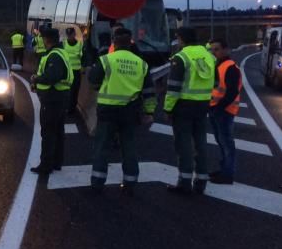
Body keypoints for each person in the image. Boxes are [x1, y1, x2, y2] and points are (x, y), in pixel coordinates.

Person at [88, 28, 156, 196]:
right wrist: (149, 112)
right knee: (129, 147)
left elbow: (93, 81)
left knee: (102, 147)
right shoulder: (141, 63)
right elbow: (149, 92)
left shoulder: (106, 60)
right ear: (131, 42)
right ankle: (130, 183)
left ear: (114, 42)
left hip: (107, 111)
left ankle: (97, 183)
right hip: (130, 111)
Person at [164, 27, 216, 194]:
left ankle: (184, 182)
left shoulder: (181, 57)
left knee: (184, 144)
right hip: (203, 105)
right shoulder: (209, 56)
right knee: (201, 143)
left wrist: (167, 108)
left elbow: (173, 88)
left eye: (178, 38)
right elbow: (214, 83)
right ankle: (201, 181)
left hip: (184, 106)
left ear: (182, 39)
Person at [29, 27, 73, 175]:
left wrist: (37, 79)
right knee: (58, 131)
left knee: (48, 132)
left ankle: (46, 165)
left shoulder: (54, 56)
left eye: (42, 37)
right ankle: (56, 162)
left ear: (46, 39)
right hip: (60, 97)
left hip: (53, 99)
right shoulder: (60, 52)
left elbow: (52, 76)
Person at [208, 39, 242, 184]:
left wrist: (219, 106)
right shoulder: (219, 64)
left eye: (217, 49)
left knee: (226, 143)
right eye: (212, 49)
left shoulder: (230, 67)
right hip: (216, 108)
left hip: (224, 110)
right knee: (222, 141)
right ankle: (224, 170)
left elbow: (232, 91)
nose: (214, 52)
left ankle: (227, 174)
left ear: (226, 49)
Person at [62, 27, 84, 115]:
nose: (69, 36)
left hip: (76, 71)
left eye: (71, 34)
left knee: (74, 91)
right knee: (66, 90)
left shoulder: (80, 44)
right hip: (66, 71)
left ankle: (72, 109)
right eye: (68, 35)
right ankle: (66, 107)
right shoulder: (63, 44)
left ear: (74, 34)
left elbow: (83, 57)